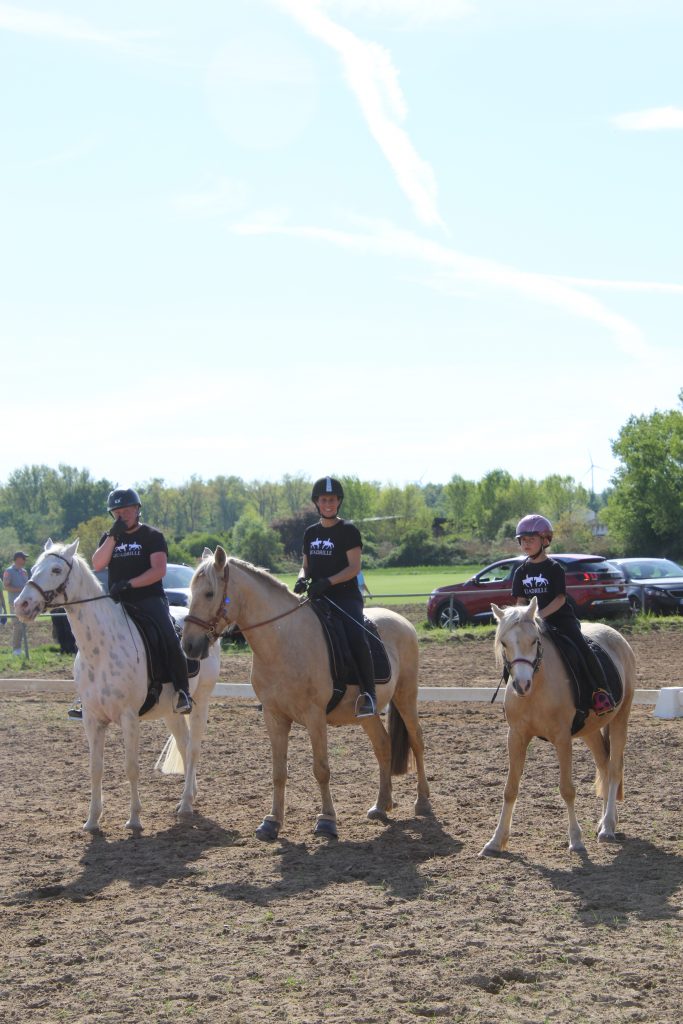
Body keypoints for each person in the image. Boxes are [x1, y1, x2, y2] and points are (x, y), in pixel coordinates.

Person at [91, 487, 193, 714]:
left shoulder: (152, 536)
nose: (122, 515)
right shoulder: (109, 538)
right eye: (117, 512)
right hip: (117, 602)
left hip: (149, 598)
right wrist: (112, 537)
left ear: (137, 510)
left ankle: (182, 691)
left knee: (168, 636)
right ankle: (88, 694)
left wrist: (130, 583)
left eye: (127, 510)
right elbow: (97, 564)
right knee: (93, 639)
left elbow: (159, 570)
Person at [511, 514, 614, 716]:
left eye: (531, 539)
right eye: (523, 540)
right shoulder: (520, 571)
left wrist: (538, 615)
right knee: (513, 651)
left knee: (583, 648)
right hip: (532, 623)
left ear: (545, 540)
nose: (526, 544)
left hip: (560, 619)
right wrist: (522, 619)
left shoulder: (554, 568)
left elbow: (559, 599)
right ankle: (513, 695)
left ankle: (600, 692)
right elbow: (521, 602)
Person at [294, 477, 377, 718]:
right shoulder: (311, 533)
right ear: (317, 503)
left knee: (356, 635)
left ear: (338, 502)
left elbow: (354, 568)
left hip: (345, 597)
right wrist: (302, 578)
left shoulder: (348, 531)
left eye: (332, 500)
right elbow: (305, 566)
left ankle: (369, 694)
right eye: (324, 500)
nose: (328, 504)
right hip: (316, 597)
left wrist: (328, 582)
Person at [3, 551, 29, 655]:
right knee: (17, 625)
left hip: (25, 603)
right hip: (14, 603)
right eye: (24, 558)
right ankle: (16, 649)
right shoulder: (9, 571)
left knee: (24, 625)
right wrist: (21, 590)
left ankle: (22, 648)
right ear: (18, 559)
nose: (25, 560)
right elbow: (6, 587)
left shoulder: (24, 571)